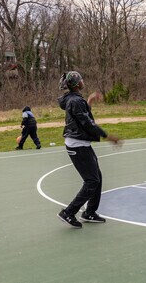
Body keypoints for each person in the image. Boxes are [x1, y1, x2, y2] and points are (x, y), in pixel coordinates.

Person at [56, 71, 121, 229]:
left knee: (96, 177)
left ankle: (90, 212)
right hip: (77, 145)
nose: (83, 81)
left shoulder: (74, 99)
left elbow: (84, 118)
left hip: (81, 144)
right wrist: (108, 136)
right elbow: (88, 124)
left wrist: (90, 101)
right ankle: (68, 212)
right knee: (91, 181)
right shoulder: (75, 101)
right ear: (78, 84)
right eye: (81, 80)